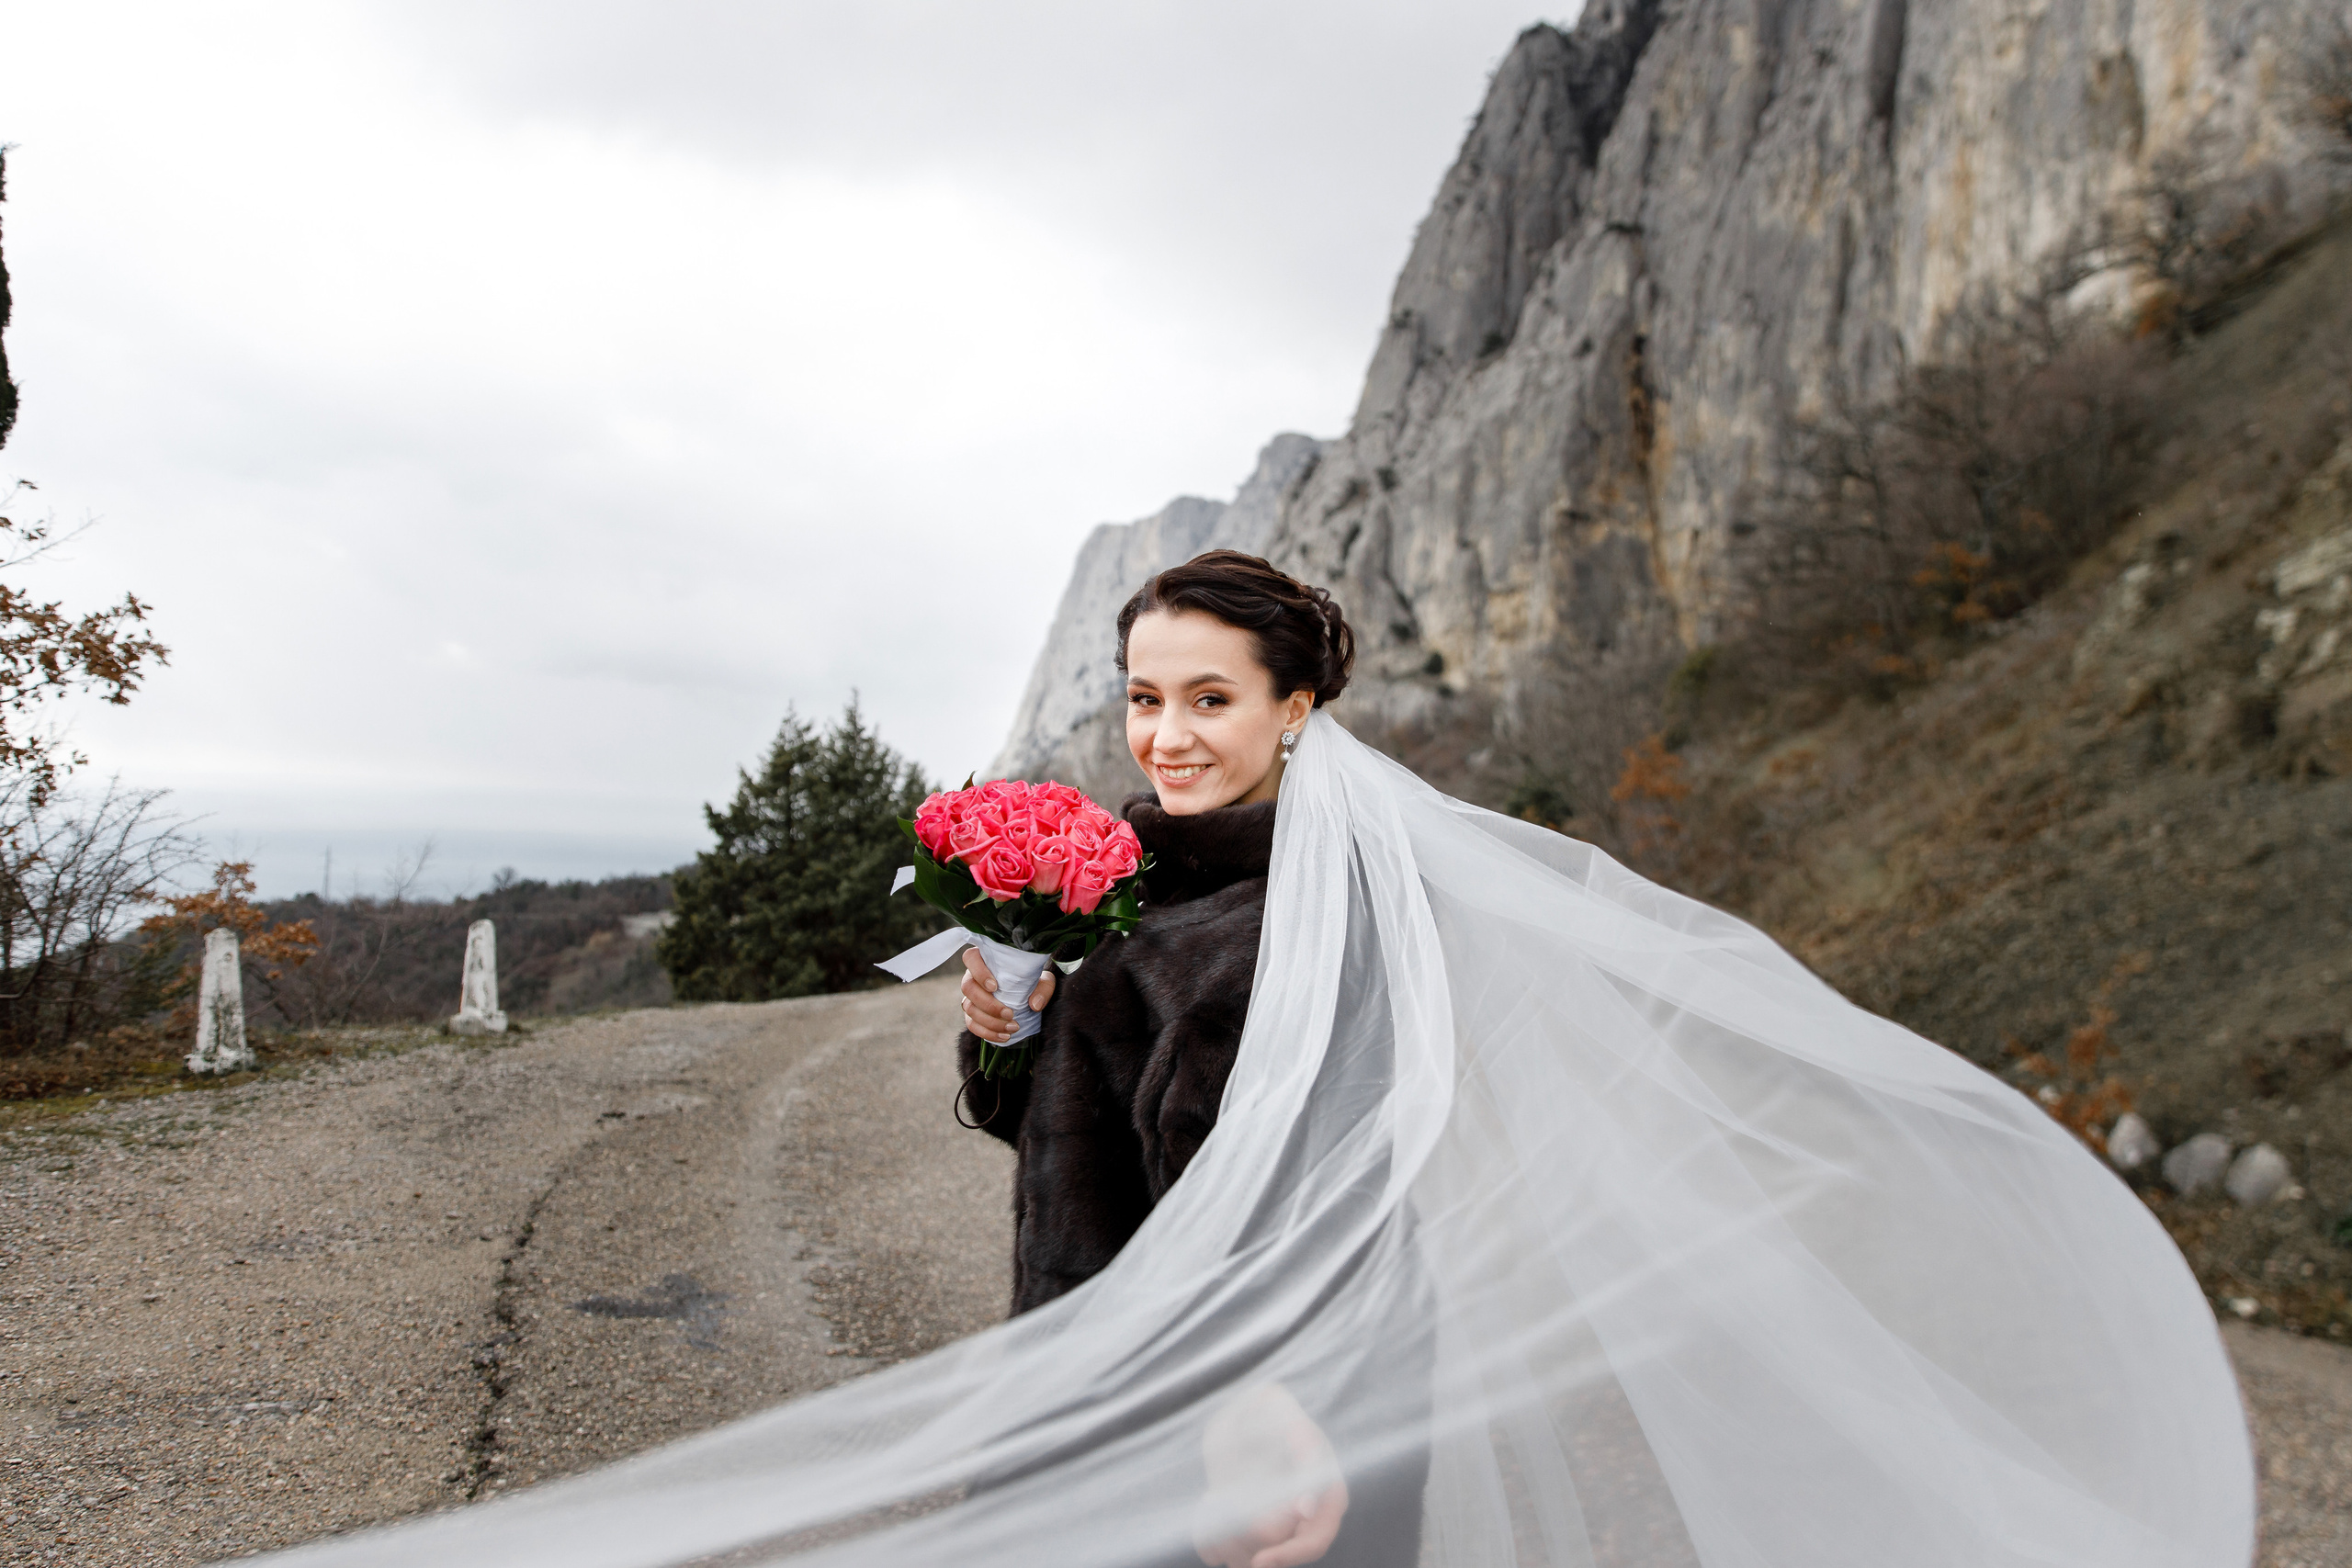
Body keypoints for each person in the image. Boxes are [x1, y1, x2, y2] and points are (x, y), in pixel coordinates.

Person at [249, 551, 2254, 1568]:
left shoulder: (1314, 902)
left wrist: (1257, 1414)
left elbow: (1327, 1183)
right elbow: (1096, 1144)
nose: (1165, 730)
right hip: (1109, 1372)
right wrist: (1006, 1034)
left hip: (1256, 1415)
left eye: (1208, 696)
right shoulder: (1129, 891)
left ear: (1299, 703)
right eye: (1139, 695)